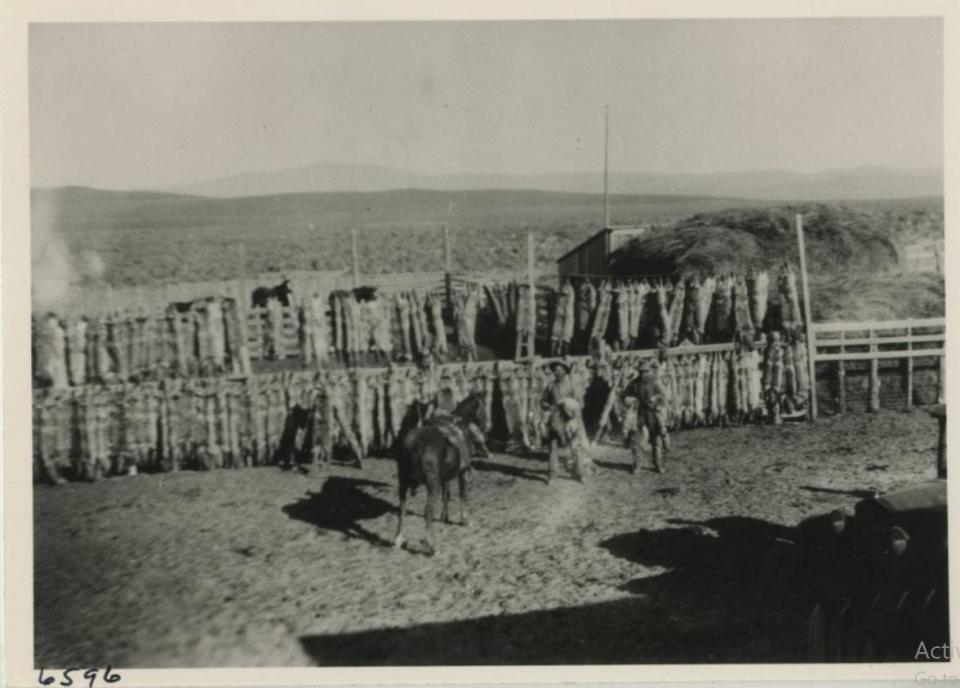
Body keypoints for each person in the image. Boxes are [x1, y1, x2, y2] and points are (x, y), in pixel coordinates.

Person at [541, 361, 594, 479]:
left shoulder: (572, 384)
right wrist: (549, 406)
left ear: (565, 371)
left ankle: (580, 473)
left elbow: (581, 403)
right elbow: (543, 401)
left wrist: (570, 407)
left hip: (572, 419)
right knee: (553, 446)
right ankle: (552, 473)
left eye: (559, 370)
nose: (556, 372)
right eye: (555, 370)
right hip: (556, 419)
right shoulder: (550, 386)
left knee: (576, 446)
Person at [624, 360, 670, 474]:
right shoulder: (634, 383)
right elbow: (624, 396)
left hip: (652, 413)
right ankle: (637, 465)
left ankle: (658, 464)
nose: (643, 374)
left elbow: (663, 397)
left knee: (656, 440)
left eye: (645, 371)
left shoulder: (654, 382)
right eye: (640, 372)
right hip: (639, 413)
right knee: (636, 441)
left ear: (648, 371)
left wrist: (655, 400)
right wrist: (630, 401)